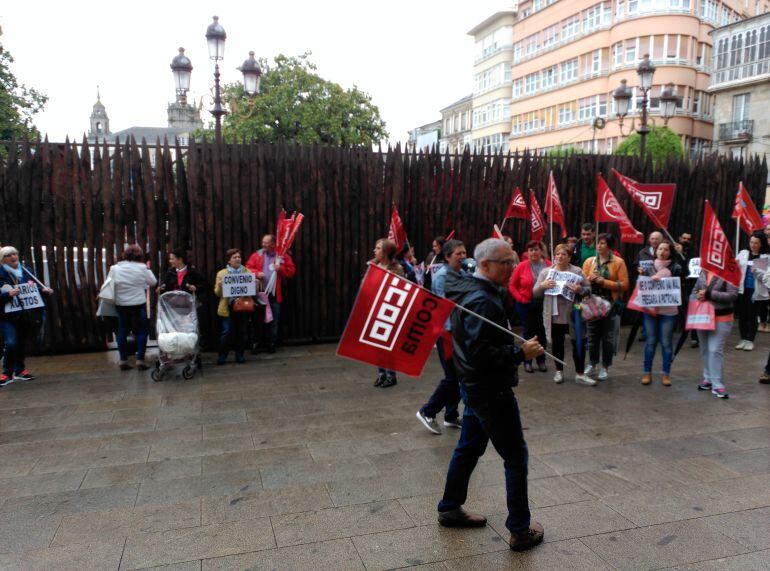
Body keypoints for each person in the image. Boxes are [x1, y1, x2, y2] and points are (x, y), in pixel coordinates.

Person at [438, 238, 545, 552]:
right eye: (506, 262)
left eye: (513, 261)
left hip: (473, 388)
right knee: (515, 457)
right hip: (489, 389)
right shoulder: (482, 300)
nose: (512, 267)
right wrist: (519, 352)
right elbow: (480, 354)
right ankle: (520, 530)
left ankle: (449, 507)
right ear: (484, 265)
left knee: (468, 448)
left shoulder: (471, 289)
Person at [416, 239, 466, 434]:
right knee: (453, 377)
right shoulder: (443, 277)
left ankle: (451, 416)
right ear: (447, 257)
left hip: (459, 332)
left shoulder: (460, 273)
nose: (462, 257)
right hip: (447, 333)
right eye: (458, 254)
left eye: (464, 253)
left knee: (458, 376)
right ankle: (427, 411)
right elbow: (450, 305)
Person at [533, 243, 593, 385]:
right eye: (557, 254)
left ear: (569, 257)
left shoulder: (577, 272)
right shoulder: (546, 272)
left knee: (578, 342)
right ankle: (559, 371)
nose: (560, 256)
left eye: (563, 254)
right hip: (554, 314)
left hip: (574, 314)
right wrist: (543, 286)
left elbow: (588, 290)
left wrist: (579, 290)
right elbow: (535, 292)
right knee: (557, 344)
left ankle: (580, 373)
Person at [0, 246, 53, 385]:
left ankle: (19, 370)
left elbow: (34, 289)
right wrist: (7, 295)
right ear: (2, 259)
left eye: (15, 254)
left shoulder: (26, 271)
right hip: (6, 316)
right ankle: (6, 373)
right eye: (9, 255)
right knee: (11, 343)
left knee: (21, 343)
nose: (13, 257)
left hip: (24, 314)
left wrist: (44, 291)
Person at [582, 233, 629, 381]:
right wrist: (589, 279)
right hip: (592, 305)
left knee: (608, 337)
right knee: (592, 336)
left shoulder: (618, 262)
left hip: (610, 305)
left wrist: (604, 282)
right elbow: (582, 283)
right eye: (598, 243)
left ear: (609, 245)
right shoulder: (590, 262)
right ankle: (592, 363)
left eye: (602, 243)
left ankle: (605, 366)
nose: (599, 246)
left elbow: (625, 285)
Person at [638, 241, 683, 386]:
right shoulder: (646, 267)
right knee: (650, 342)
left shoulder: (676, 267)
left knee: (666, 343)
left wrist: (663, 280)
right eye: (660, 249)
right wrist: (642, 276)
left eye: (666, 249)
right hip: (650, 310)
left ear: (670, 252)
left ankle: (666, 373)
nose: (662, 251)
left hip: (668, 312)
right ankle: (646, 372)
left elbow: (681, 282)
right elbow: (640, 286)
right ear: (655, 251)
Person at [107, 245, 157, 371]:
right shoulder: (143, 268)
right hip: (138, 303)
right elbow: (153, 282)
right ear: (139, 256)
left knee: (122, 330)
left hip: (121, 304)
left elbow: (109, 284)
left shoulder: (115, 268)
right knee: (142, 331)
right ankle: (140, 360)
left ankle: (123, 359)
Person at [245, 234, 296, 353]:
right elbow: (247, 268)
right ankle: (255, 343)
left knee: (273, 319)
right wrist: (257, 273)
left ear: (273, 244)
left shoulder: (283, 256)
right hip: (258, 293)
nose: (263, 245)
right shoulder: (257, 254)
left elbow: (291, 272)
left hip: (275, 294)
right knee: (256, 319)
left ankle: (271, 343)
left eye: (266, 243)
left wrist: (280, 269)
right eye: (263, 242)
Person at [692, 270, 738, 398]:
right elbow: (694, 290)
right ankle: (708, 378)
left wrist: (709, 294)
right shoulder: (704, 271)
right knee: (705, 349)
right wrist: (697, 295)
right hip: (702, 315)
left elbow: (732, 295)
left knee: (714, 349)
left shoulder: (730, 272)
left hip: (722, 317)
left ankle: (717, 384)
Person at [509, 240, 551, 373]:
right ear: (527, 252)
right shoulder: (521, 266)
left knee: (542, 333)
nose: (533, 252)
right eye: (531, 250)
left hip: (544, 304)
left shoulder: (549, 265)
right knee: (528, 332)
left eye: (536, 249)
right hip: (525, 304)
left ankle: (541, 360)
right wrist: (520, 298)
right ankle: (527, 361)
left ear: (541, 251)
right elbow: (512, 286)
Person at [370, 238, 404, 388]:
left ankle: (391, 375)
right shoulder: (374, 265)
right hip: (375, 309)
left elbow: (394, 289)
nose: (374, 251)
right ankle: (381, 373)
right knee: (377, 345)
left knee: (388, 345)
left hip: (389, 311)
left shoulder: (396, 268)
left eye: (378, 248)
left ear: (385, 252)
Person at [214, 249, 253, 365]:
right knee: (227, 331)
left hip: (242, 307)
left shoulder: (247, 272)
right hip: (228, 307)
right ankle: (222, 355)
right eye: (234, 257)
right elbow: (217, 293)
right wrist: (220, 286)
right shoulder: (222, 274)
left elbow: (251, 292)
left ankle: (240, 355)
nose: (237, 259)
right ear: (229, 261)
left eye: (239, 257)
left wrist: (254, 284)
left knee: (241, 331)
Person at [735, 231, 770, 351]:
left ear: (761, 244)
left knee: (752, 315)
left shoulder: (765, 257)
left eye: (756, 243)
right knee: (742, 315)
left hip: (755, 290)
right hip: (742, 289)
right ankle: (743, 338)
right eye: (751, 242)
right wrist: (735, 265)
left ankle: (750, 340)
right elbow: (735, 268)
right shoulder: (743, 253)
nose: (753, 245)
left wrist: (757, 271)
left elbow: (767, 278)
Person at [675, 231, 700, 348]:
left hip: (690, 285)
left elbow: (692, 266)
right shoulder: (673, 252)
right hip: (676, 285)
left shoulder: (694, 253)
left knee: (693, 310)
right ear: (680, 238)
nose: (685, 240)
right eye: (683, 238)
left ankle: (695, 336)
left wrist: (683, 255)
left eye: (688, 239)